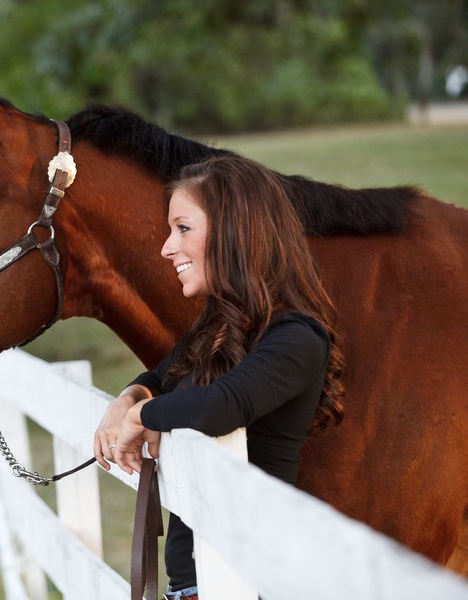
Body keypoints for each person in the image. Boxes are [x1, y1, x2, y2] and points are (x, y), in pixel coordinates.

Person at [93, 154, 345, 600]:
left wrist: (139, 418)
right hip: (197, 583)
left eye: (183, 228)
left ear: (236, 232)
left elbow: (221, 405)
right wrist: (127, 398)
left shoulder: (297, 338)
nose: (167, 248)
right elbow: (161, 377)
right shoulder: (219, 326)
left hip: (248, 583)